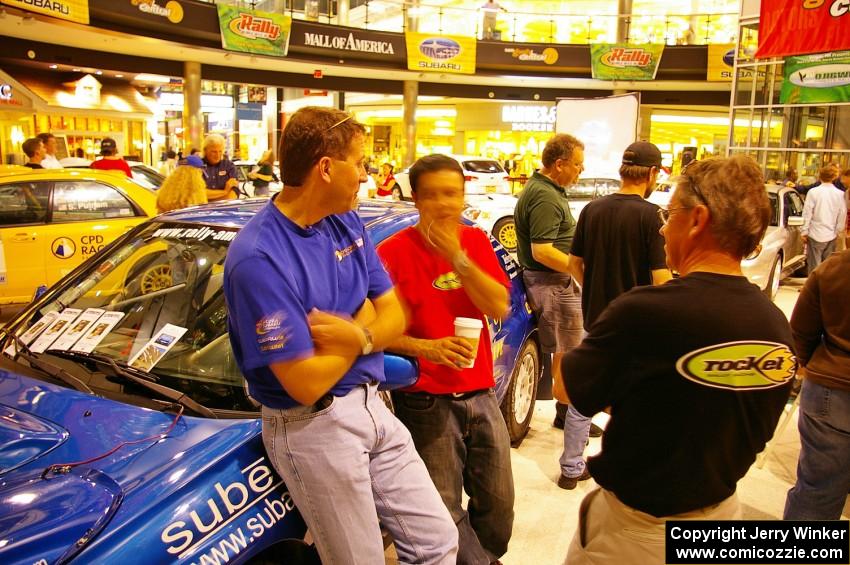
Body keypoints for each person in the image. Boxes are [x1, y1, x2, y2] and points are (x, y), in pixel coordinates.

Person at [223, 106, 457, 564]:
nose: (367, 176)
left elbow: (393, 314)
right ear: (326, 168)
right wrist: (367, 327)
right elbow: (304, 382)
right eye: (361, 162)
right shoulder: (258, 257)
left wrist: (355, 338)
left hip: (372, 405)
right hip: (313, 426)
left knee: (438, 542)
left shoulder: (344, 221)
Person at [562, 155, 795, 565]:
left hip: (636, 535)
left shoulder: (645, 312)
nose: (664, 228)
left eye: (669, 216)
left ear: (697, 219)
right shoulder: (775, 325)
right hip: (723, 514)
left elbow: (567, 387)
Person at [379, 154, 513, 565]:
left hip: (481, 391)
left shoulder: (474, 242)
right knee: (442, 509)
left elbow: (500, 306)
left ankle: (485, 557)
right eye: (432, 195)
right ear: (415, 199)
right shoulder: (391, 253)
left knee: (499, 502)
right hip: (424, 400)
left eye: (451, 194)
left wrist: (459, 259)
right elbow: (374, 333)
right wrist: (426, 348)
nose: (443, 204)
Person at [557, 141, 672, 490]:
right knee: (633, 398)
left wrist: (593, 288)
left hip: (596, 321)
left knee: (584, 397)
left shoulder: (592, 209)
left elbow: (575, 264)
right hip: (636, 328)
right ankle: (622, 466)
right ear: (652, 173)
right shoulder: (653, 216)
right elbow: (661, 278)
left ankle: (570, 468)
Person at [513, 133, 587, 483]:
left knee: (565, 354)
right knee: (569, 355)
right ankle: (572, 445)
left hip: (555, 284)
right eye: (577, 163)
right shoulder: (543, 195)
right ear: (559, 164)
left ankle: (566, 413)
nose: (580, 170)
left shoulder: (548, 191)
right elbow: (542, 250)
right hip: (551, 284)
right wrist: (580, 270)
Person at [784, 249, 850, 520]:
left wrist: (805, 364)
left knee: (817, 492)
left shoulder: (835, 268)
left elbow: (800, 333)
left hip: (830, 391)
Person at [801, 165, 846, 274]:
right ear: (834, 177)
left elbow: (807, 212)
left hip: (814, 231)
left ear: (820, 176)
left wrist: (804, 230)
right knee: (827, 264)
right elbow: (842, 213)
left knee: (814, 263)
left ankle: (812, 286)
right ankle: (824, 286)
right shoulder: (840, 194)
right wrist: (838, 230)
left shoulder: (813, 192)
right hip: (831, 233)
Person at [201, 134, 239, 201]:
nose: (217, 155)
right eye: (214, 152)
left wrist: (211, 198)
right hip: (202, 210)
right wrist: (225, 192)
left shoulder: (229, 166)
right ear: (205, 150)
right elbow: (198, 193)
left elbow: (233, 194)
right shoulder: (197, 167)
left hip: (225, 209)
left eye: (220, 151)